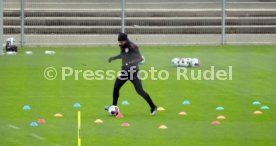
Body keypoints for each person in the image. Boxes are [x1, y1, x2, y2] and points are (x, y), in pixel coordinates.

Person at [105, 32, 157, 116]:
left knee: (140, 91)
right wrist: (113, 58)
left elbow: (140, 58)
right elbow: (123, 55)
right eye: (119, 42)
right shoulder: (123, 45)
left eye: (121, 42)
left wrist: (129, 63)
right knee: (116, 87)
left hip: (133, 72)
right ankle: (113, 106)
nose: (120, 44)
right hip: (124, 72)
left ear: (125, 40)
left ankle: (153, 107)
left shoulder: (133, 46)